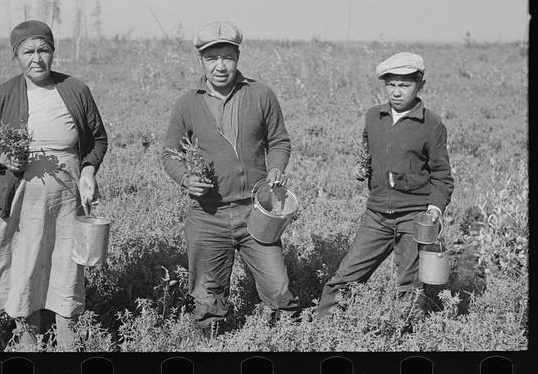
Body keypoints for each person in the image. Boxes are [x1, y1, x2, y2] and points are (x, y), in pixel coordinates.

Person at [0, 20, 108, 349]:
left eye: (44, 50)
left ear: (53, 52)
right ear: (16, 56)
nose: (37, 58)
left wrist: (89, 170)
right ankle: (28, 339)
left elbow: (97, 140)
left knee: (68, 263)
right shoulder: (3, 96)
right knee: (26, 263)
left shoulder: (75, 90)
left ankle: (68, 340)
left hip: (68, 200)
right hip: (21, 201)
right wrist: (4, 159)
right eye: (28, 51)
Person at [161, 21, 299, 335]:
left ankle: (290, 341)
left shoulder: (260, 94)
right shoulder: (188, 103)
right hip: (208, 215)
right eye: (212, 58)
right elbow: (170, 153)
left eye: (227, 57)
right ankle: (212, 345)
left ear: (237, 57)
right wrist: (185, 179)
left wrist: (276, 167)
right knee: (207, 298)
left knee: (279, 290)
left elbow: (279, 141)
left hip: (257, 211)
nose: (220, 66)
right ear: (201, 60)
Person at [315, 52, 454, 317]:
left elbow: (442, 176)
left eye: (405, 85)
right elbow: (366, 156)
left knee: (410, 288)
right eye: (391, 85)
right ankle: (320, 332)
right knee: (345, 278)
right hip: (377, 215)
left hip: (414, 217)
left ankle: (408, 339)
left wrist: (435, 209)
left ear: (420, 85)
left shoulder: (432, 125)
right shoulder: (373, 117)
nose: (397, 92)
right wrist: (360, 169)